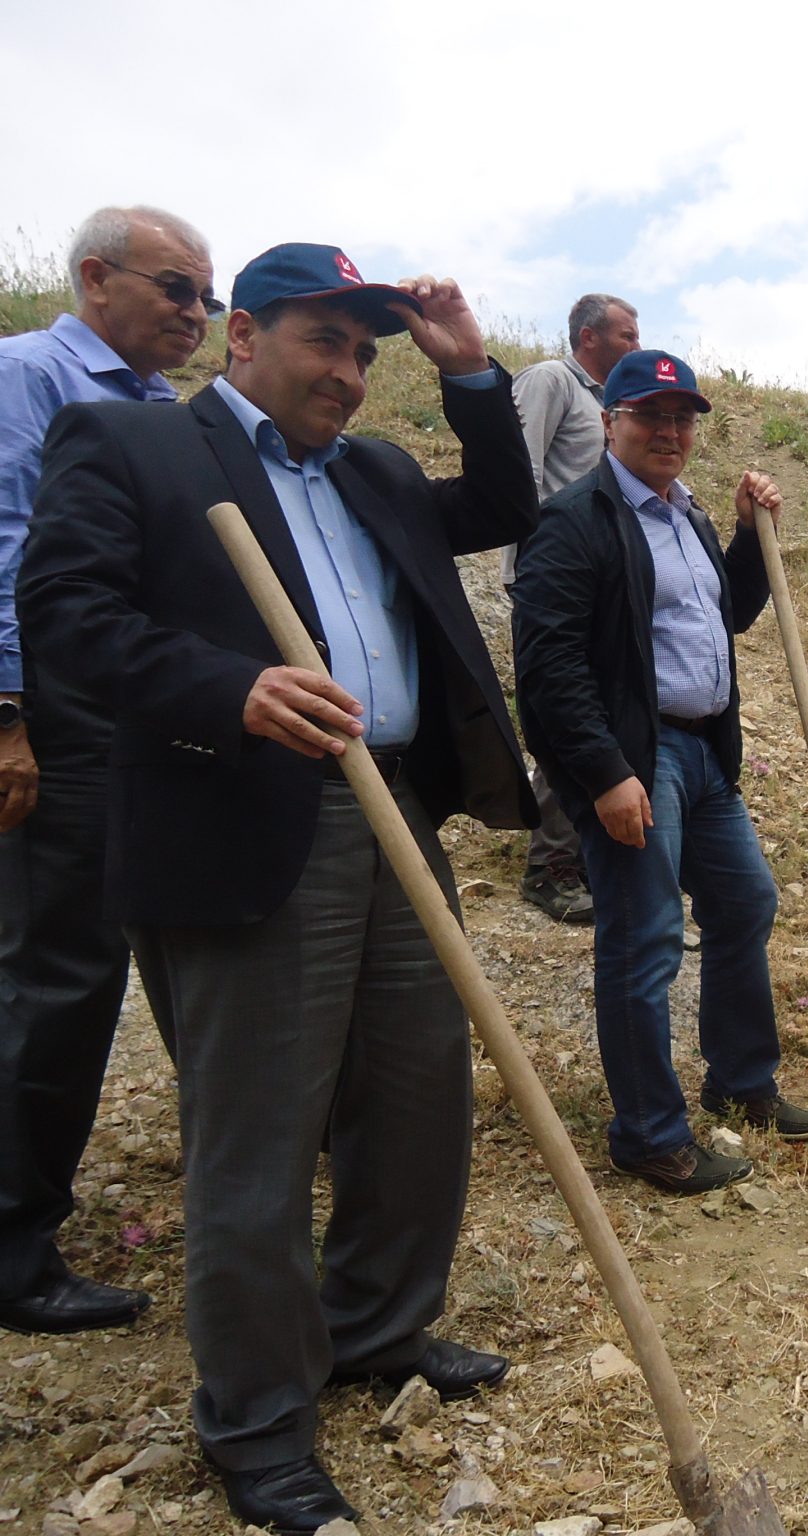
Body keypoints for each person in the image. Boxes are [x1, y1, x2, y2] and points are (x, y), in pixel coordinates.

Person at [19, 242, 539, 1531]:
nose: (349, 375)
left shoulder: (375, 472)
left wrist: (470, 372)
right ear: (243, 335)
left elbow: (504, 502)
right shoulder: (134, 445)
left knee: (417, 1097)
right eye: (325, 342)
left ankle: (377, 1328)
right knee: (256, 1138)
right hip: (244, 819)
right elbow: (66, 614)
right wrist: (227, 687)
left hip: (395, 809)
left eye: (363, 353)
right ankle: (257, 1422)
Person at [514, 349, 808, 1199]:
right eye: (651, 415)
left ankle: (741, 1081)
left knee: (745, 902)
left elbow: (729, 617)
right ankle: (649, 1134)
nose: (670, 431)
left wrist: (748, 538)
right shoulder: (575, 520)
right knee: (644, 938)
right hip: (636, 761)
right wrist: (605, 773)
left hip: (703, 754)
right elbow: (548, 668)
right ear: (609, 421)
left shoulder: (685, 517)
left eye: (683, 418)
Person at [0, 205, 216, 1339]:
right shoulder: (28, 377)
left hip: (137, 709)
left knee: (145, 949)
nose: (195, 313)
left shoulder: (159, 409)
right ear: (94, 276)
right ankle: (12, 1250)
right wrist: (7, 717)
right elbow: (5, 544)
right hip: (58, 711)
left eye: (206, 297)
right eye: (176, 288)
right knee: (60, 977)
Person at [504, 293, 641, 924]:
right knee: (566, 710)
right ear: (589, 337)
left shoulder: (611, 405)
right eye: (627, 334)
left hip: (606, 587)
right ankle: (551, 867)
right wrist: (533, 564)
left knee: (604, 714)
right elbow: (518, 472)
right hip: (556, 581)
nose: (636, 344)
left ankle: (584, 855)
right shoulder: (551, 381)